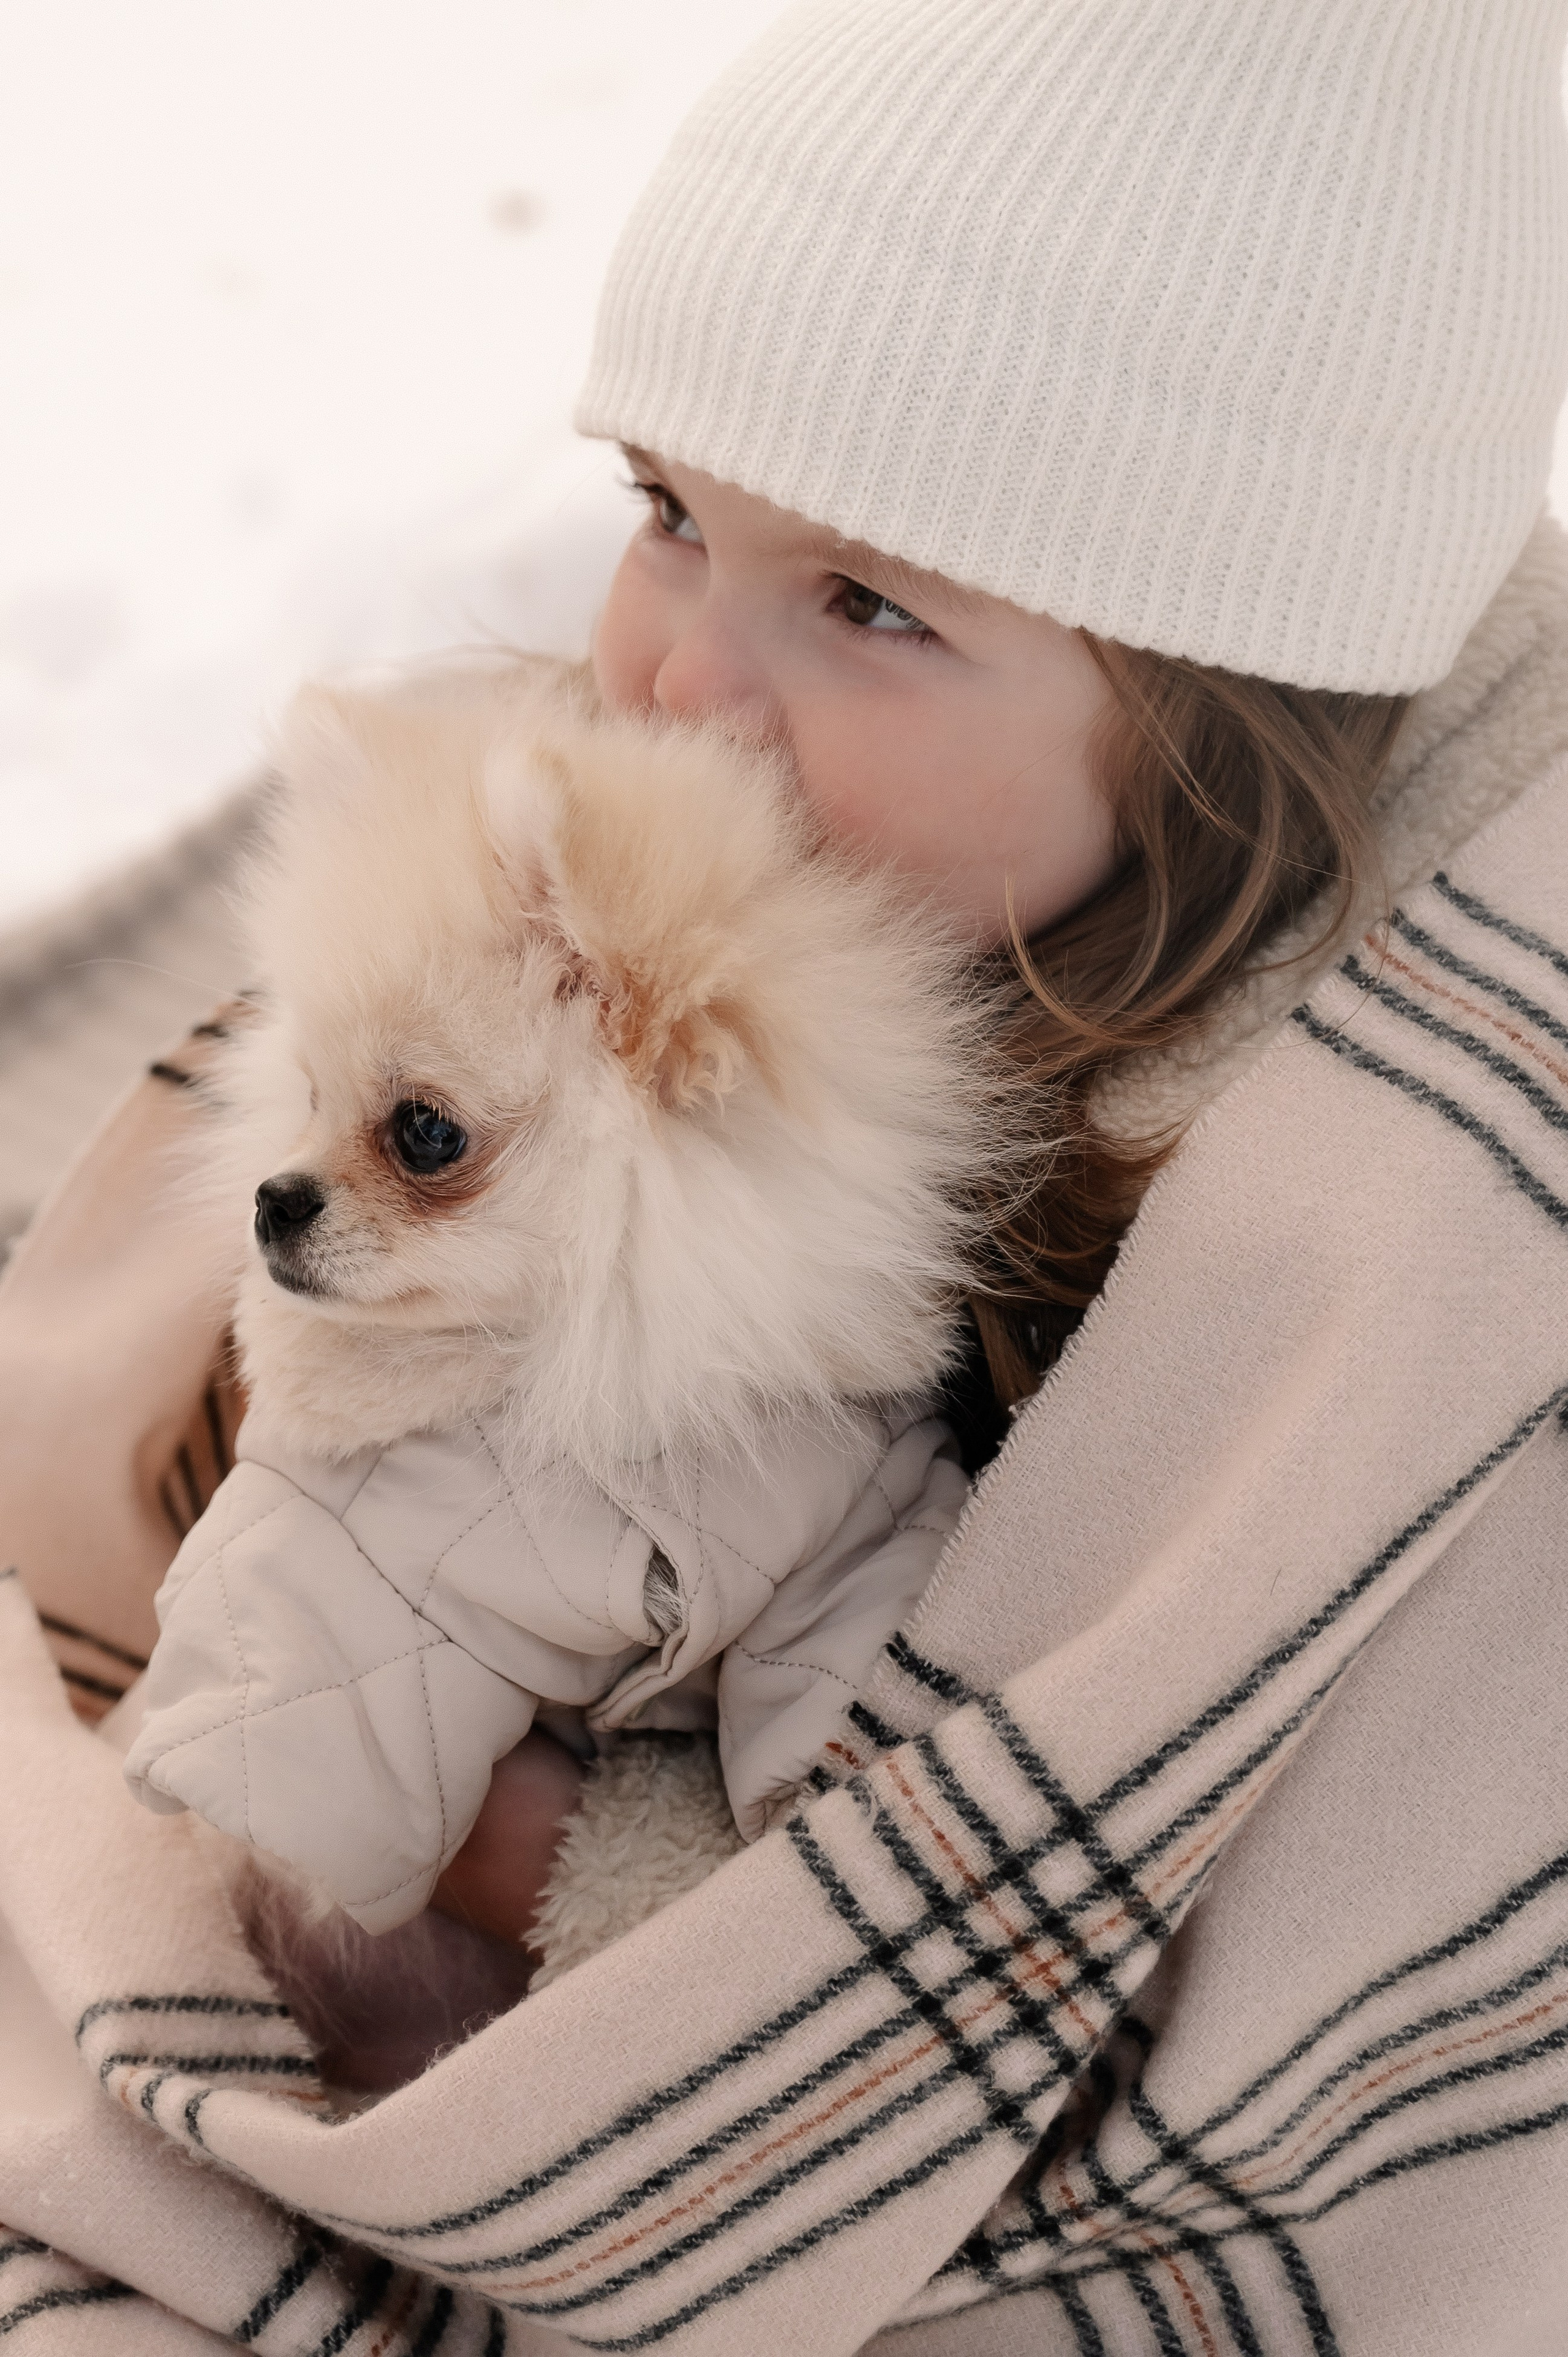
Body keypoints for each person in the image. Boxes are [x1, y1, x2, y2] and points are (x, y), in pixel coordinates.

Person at [2, 0, 1567, 2349]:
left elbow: (1206, 1975)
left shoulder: (1382, 1198)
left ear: (1224, 717)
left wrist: (509, 1829)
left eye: (870, 605)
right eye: (663, 511)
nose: (670, 691)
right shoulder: (686, 855)